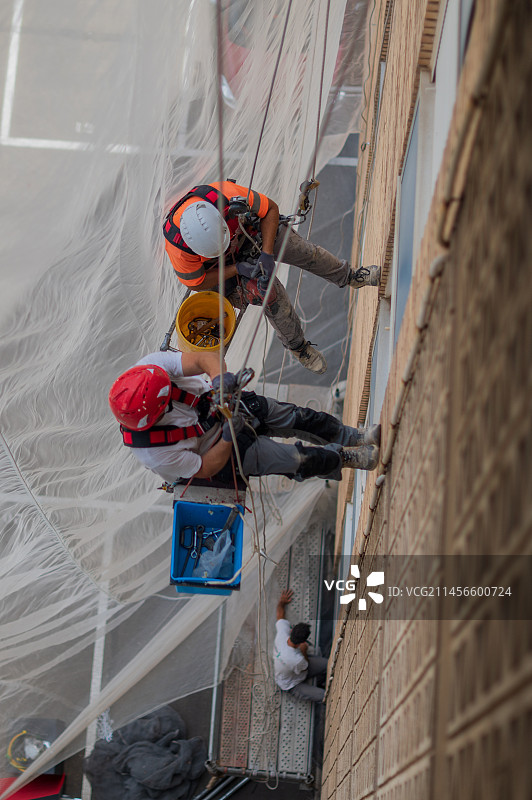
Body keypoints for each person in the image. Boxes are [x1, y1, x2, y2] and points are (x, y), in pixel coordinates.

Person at [162, 180, 381, 374]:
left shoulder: (226, 195)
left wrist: (266, 253)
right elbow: (199, 282)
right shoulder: (179, 248)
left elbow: (270, 209)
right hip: (226, 268)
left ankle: (350, 276)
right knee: (270, 294)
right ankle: (299, 348)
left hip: (249, 232)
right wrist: (237, 269)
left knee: (303, 251)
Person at [108, 350, 381, 485]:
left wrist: (220, 381)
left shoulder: (149, 370)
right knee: (297, 460)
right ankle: (345, 458)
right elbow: (204, 468)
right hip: (221, 451)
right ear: (156, 416)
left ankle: (354, 436)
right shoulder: (154, 453)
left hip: (227, 401)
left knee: (300, 418)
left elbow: (203, 359)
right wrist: (227, 437)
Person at [273, 589, 328, 703]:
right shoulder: (297, 660)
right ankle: (319, 687)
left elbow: (280, 615)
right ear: (302, 642)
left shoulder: (282, 633)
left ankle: (321, 680)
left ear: (291, 630)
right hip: (290, 683)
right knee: (324, 696)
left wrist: (281, 603)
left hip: (295, 668)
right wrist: (304, 651)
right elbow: (305, 666)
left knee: (328, 664)